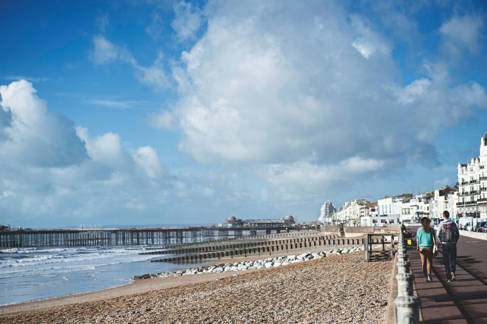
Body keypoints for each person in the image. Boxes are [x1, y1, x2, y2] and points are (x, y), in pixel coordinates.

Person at [438, 211, 459, 282]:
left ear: (443, 216)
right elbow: (457, 233)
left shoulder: (441, 224)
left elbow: (438, 234)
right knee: (453, 259)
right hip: (452, 244)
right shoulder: (453, 223)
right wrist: (455, 241)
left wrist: (441, 242)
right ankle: (452, 271)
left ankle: (448, 277)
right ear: (449, 215)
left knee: (446, 261)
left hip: (445, 244)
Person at [416, 217, 436, 282]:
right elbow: (434, 239)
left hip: (421, 248)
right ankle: (429, 276)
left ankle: (425, 276)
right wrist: (435, 245)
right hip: (429, 247)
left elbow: (417, 240)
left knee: (423, 263)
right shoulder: (431, 230)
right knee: (429, 262)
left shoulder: (419, 230)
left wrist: (417, 247)